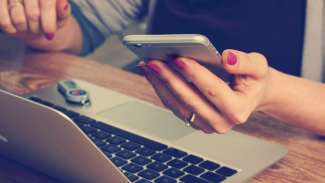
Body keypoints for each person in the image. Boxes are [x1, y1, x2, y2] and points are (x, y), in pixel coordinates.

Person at [0, 0, 324, 135]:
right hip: (155, 116)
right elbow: (81, 27)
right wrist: (45, 21)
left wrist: (271, 92)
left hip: (291, 143)